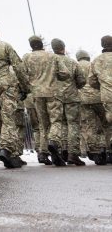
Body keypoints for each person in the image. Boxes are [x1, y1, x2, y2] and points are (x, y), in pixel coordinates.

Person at [0, 23, 30, 169]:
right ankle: (7, 149)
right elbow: (19, 67)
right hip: (6, 86)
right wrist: (25, 88)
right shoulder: (4, 46)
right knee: (8, 118)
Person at [23, 35, 71, 166]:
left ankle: (43, 152)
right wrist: (55, 76)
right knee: (56, 120)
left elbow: (22, 74)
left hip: (36, 94)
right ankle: (54, 142)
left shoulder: (27, 58)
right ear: (42, 45)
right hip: (52, 92)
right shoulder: (52, 56)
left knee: (43, 125)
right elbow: (65, 73)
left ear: (31, 46)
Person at [50, 38, 86, 165]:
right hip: (71, 97)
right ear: (63, 48)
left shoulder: (50, 61)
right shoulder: (72, 62)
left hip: (55, 97)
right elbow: (82, 80)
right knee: (73, 124)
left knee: (61, 124)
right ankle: (73, 154)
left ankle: (63, 150)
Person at [77, 49, 107, 164]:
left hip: (84, 100)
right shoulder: (94, 63)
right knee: (103, 124)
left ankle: (94, 151)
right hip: (98, 97)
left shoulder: (76, 65)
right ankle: (105, 147)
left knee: (89, 125)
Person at [87, 36, 112, 154]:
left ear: (102, 45)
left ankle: (109, 147)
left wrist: (102, 86)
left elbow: (91, 80)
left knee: (109, 122)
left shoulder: (96, 60)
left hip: (107, 95)